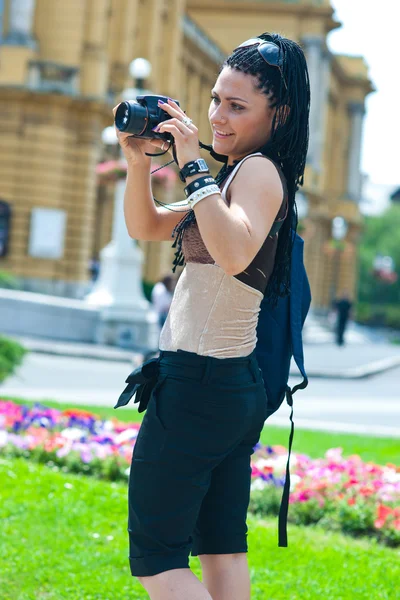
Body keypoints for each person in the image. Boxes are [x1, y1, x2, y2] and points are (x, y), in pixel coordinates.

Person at [113, 32, 310, 600]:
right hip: (224, 386)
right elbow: (148, 227)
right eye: (216, 99)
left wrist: (196, 164)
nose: (218, 116)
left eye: (237, 106)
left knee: (156, 559)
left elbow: (233, 252)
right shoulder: (232, 177)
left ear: (281, 113)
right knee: (221, 548)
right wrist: (136, 164)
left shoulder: (257, 173)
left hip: (200, 386)